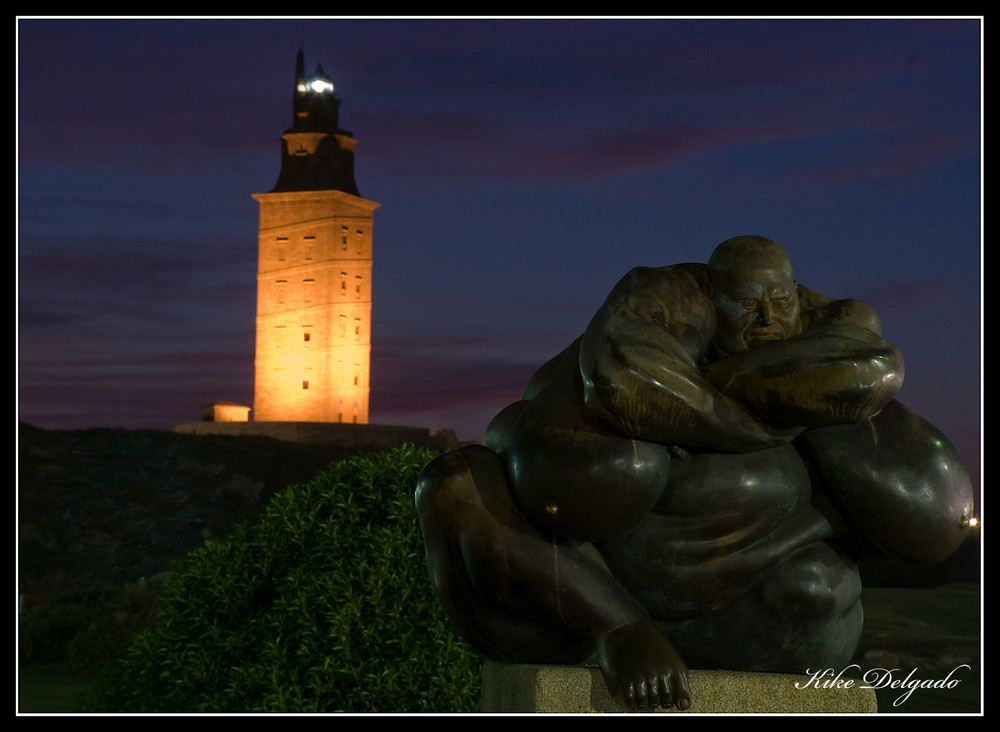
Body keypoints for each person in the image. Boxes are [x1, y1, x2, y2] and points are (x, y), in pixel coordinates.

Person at [415, 235, 973, 711]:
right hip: (583, 619)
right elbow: (562, 470)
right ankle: (619, 622)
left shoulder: (824, 367)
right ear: (711, 302)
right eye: (745, 305)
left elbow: (930, 517)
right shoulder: (598, 376)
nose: (767, 321)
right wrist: (616, 623)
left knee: (833, 560)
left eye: (780, 303)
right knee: (457, 483)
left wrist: (768, 401)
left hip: (774, 626)